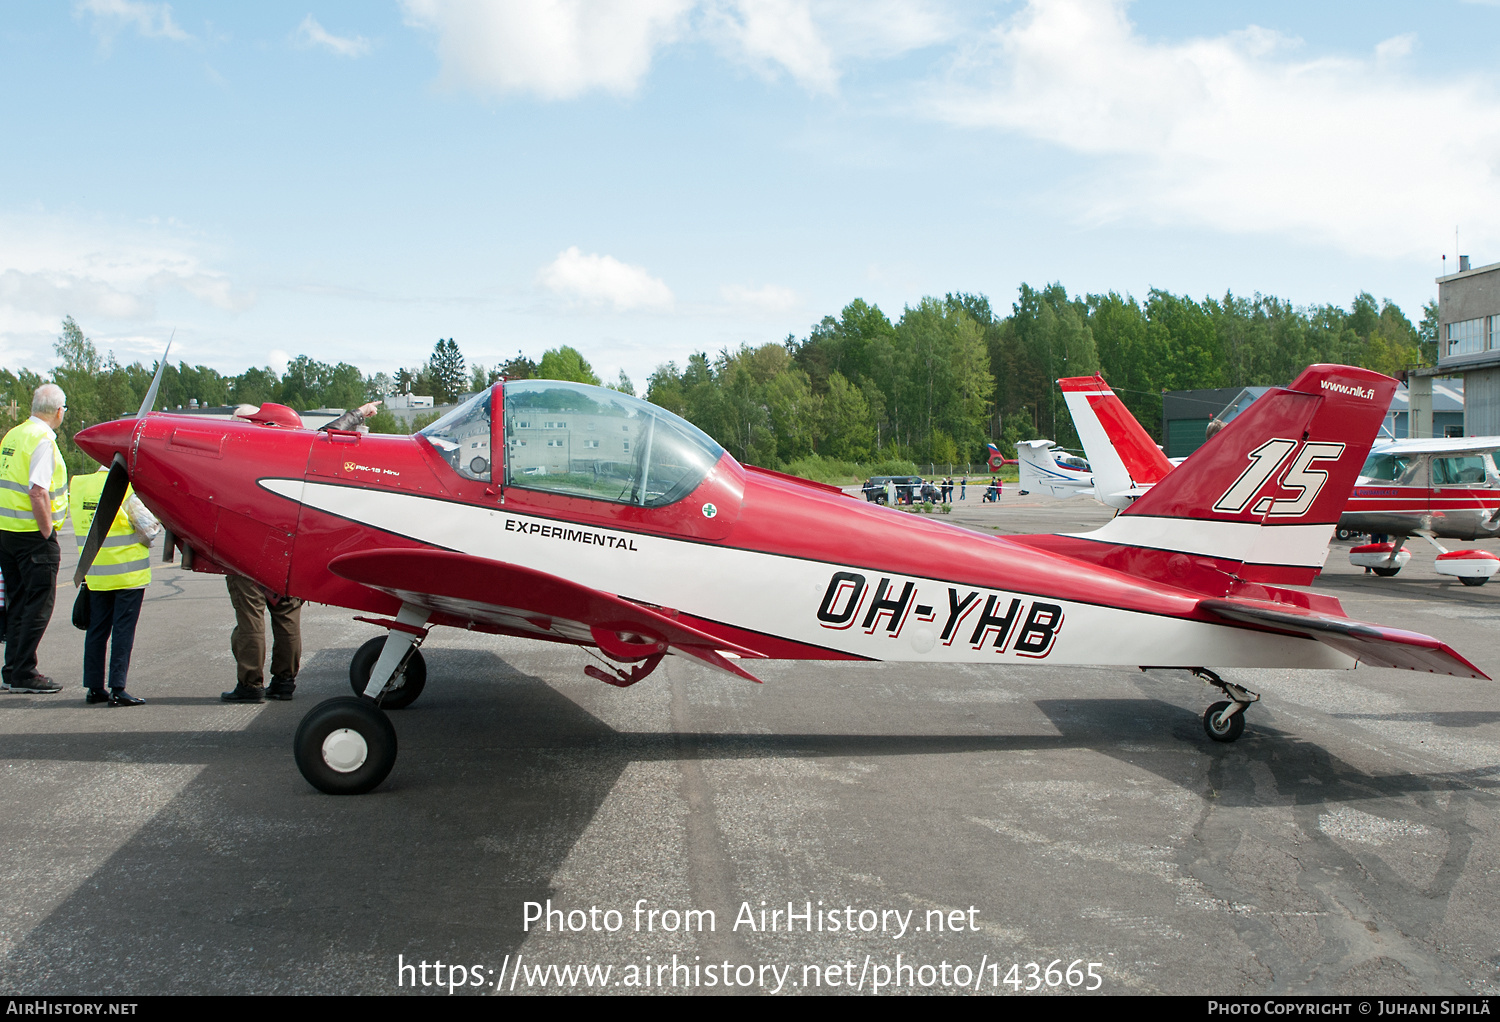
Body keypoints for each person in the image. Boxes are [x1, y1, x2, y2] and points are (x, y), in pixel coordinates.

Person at [217, 399, 378, 703]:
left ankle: (250, 684)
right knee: (287, 618)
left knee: (250, 618)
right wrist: (359, 413)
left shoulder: (242, 458)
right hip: (288, 550)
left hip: (249, 550)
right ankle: (284, 682)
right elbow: (330, 433)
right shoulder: (299, 453)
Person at [70, 463, 160, 705]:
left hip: (97, 572)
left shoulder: (78, 485)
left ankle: (94, 688)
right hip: (128, 574)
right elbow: (149, 527)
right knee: (123, 631)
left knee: (97, 630)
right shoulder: (127, 487)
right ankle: (118, 688)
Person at [0, 385, 68, 694]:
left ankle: (13, 668)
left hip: (7, 533)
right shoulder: (42, 441)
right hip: (32, 536)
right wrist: (47, 532)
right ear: (58, 411)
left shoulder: (14, 435)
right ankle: (25, 671)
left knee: (17, 603)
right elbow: (38, 490)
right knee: (39, 604)